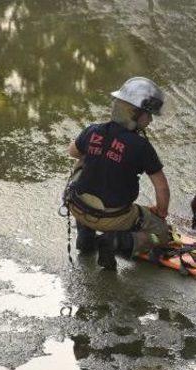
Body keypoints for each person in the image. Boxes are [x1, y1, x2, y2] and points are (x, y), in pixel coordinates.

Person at [65, 77, 171, 270]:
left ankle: (86, 237)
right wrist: (161, 212)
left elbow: (72, 152)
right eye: (148, 114)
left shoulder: (93, 131)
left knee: (84, 162)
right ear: (135, 113)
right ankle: (117, 242)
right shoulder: (141, 146)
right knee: (162, 234)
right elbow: (161, 187)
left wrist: (98, 150)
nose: (151, 119)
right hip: (113, 217)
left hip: (77, 207)